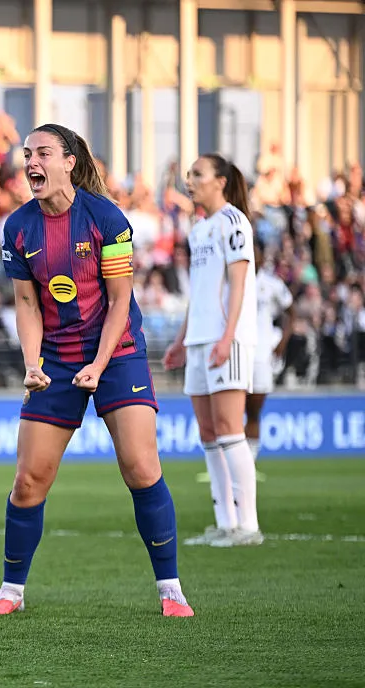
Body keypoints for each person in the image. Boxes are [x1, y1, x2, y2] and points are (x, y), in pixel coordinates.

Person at [0, 123, 194, 619]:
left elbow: (120, 301)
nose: (31, 162)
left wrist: (99, 364)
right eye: (27, 153)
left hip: (116, 353)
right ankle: (11, 589)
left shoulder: (107, 219)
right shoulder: (17, 228)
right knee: (29, 480)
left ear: (69, 161)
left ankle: (171, 588)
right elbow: (27, 305)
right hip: (54, 359)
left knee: (141, 467)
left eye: (43, 153)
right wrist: (32, 364)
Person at [163, 153, 262, 548]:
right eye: (189, 174)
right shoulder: (200, 228)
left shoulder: (234, 223)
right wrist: (180, 340)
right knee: (208, 433)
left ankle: (248, 526)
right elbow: (200, 293)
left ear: (220, 181)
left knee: (229, 429)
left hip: (227, 339)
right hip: (198, 339)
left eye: (198, 174)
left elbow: (239, 285)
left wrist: (227, 337)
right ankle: (225, 522)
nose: (190, 180)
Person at [247, 239, 294, 465]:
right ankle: (234, 466)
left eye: (256, 253)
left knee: (254, 410)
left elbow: (290, 312)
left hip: (261, 354)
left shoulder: (271, 283)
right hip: (236, 352)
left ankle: (250, 462)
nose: (252, 258)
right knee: (231, 414)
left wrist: (282, 342)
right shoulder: (232, 282)